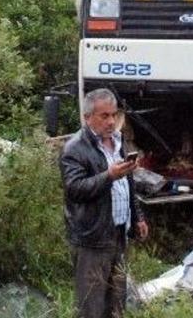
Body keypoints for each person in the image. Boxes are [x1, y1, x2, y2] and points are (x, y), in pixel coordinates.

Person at [59, 88, 149, 318]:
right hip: (92, 238)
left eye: (114, 115)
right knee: (91, 306)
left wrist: (137, 216)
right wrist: (109, 175)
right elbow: (75, 190)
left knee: (117, 302)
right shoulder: (74, 149)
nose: (111, 121)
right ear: (87, 117)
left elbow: (128, 182)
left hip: (119, 233)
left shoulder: (119, 142)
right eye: (104, 116)